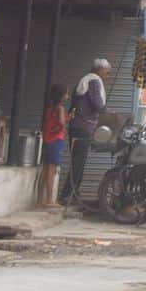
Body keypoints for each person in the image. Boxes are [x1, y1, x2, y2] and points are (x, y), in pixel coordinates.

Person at [64, 56, 111, 206]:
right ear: (100, 69)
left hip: (76, 125)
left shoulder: (83, 79)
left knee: (77, 161)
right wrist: (109, 113)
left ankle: (71, 193)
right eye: (107, 72)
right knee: (79, 161)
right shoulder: (94, 81)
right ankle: (69, 194)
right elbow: (98, 104)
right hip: (83, 126)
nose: (107, 76)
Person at [38, 85, 69, 209]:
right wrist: (64, 125)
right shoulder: (60, 108)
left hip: (47, 140)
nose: (68, 96)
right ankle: (50, 200)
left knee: (44, 170)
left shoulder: (49, 109)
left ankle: (39, 200)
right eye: (66, 94)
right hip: (56, 140)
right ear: (61, 96)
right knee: (52, 170)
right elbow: (61, 122)